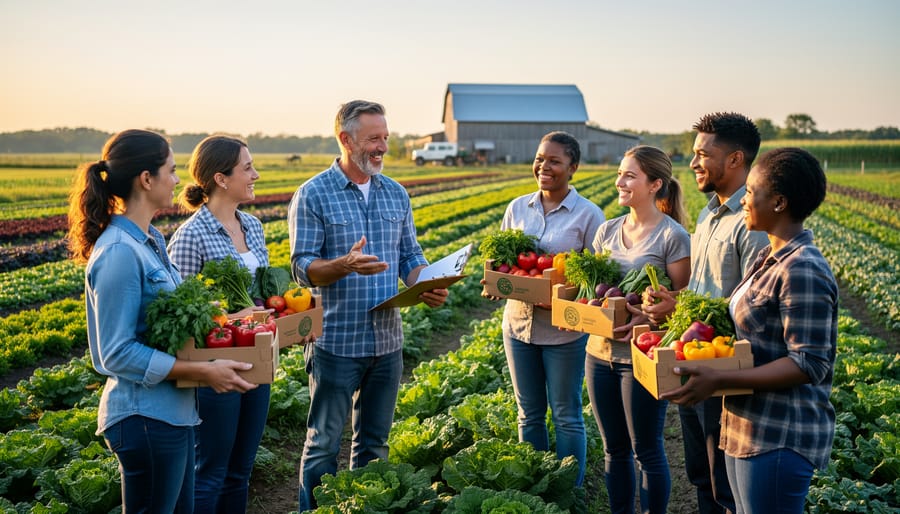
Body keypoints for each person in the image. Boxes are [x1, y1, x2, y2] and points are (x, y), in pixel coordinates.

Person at [68, 129, 257, 513]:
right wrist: (202, 371)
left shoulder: (149, 240)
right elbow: (116, 352)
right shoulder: (120, 252)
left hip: (173, 414)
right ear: (146, 179)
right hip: (144, 416)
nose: (177, 180)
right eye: (170, 170)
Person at [287, 100, 449, 511]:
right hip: (337, 344)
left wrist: (426, 282)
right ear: (345, 139)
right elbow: (301, 267)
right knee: (324, 443)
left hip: (388, 343)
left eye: (386, 138)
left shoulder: (395, 193)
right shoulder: (313, 194)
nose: (382, 147)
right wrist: (343, 265)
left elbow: (410, 256)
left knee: (374, 444)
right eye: (373, 138)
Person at [661, 147, 838, 514]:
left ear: (778, 202)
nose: (744, 200)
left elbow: (809, 363)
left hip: (780, 432)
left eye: (752, 191)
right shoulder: (767, 259)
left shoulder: (803, 268)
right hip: (745, 423)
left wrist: (719, 380)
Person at [643, 112, 768, 514]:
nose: (693, 163)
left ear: (735, 160)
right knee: (700, 472)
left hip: (725, 370)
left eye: (702, 154)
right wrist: (673, 305)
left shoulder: (754, 223)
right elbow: (703, 291)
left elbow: (750, 308)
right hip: (695, 361)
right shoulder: (708, 213)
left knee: (724, 483)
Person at [488, 131, 605, 487]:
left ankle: (571, 490)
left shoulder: (588, 215)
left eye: (554, 161)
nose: (544, 166)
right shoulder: (517, 208)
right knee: (528, 414)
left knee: (567, 414)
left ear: (573, 168)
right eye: (540, 158)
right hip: (518, 326)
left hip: (564, 331)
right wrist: (497, 279)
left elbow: (596, 279)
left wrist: (564, 299)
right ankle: (537, 487)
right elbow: (505, 262)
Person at [585, 145, 691, 513]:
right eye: (620, 173)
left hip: (642, 355)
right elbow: (595, 290)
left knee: (646, 448)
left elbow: (682, 302)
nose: (620, 182)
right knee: (613, 447)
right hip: (598, 353)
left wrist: (646, 316)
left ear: (654, 184)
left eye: (629, 175)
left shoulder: (672, 236)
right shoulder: (606, 231)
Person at [167, 135, 270, 513]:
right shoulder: (189, 237)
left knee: (241, 470)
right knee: (211, 471)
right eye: (247, 168)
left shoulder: (254, 227)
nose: (255, 174)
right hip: (214, 370)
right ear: (221, 179)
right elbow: (180, 314)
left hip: (256, 363)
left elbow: (260, 297)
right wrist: (229, 317)